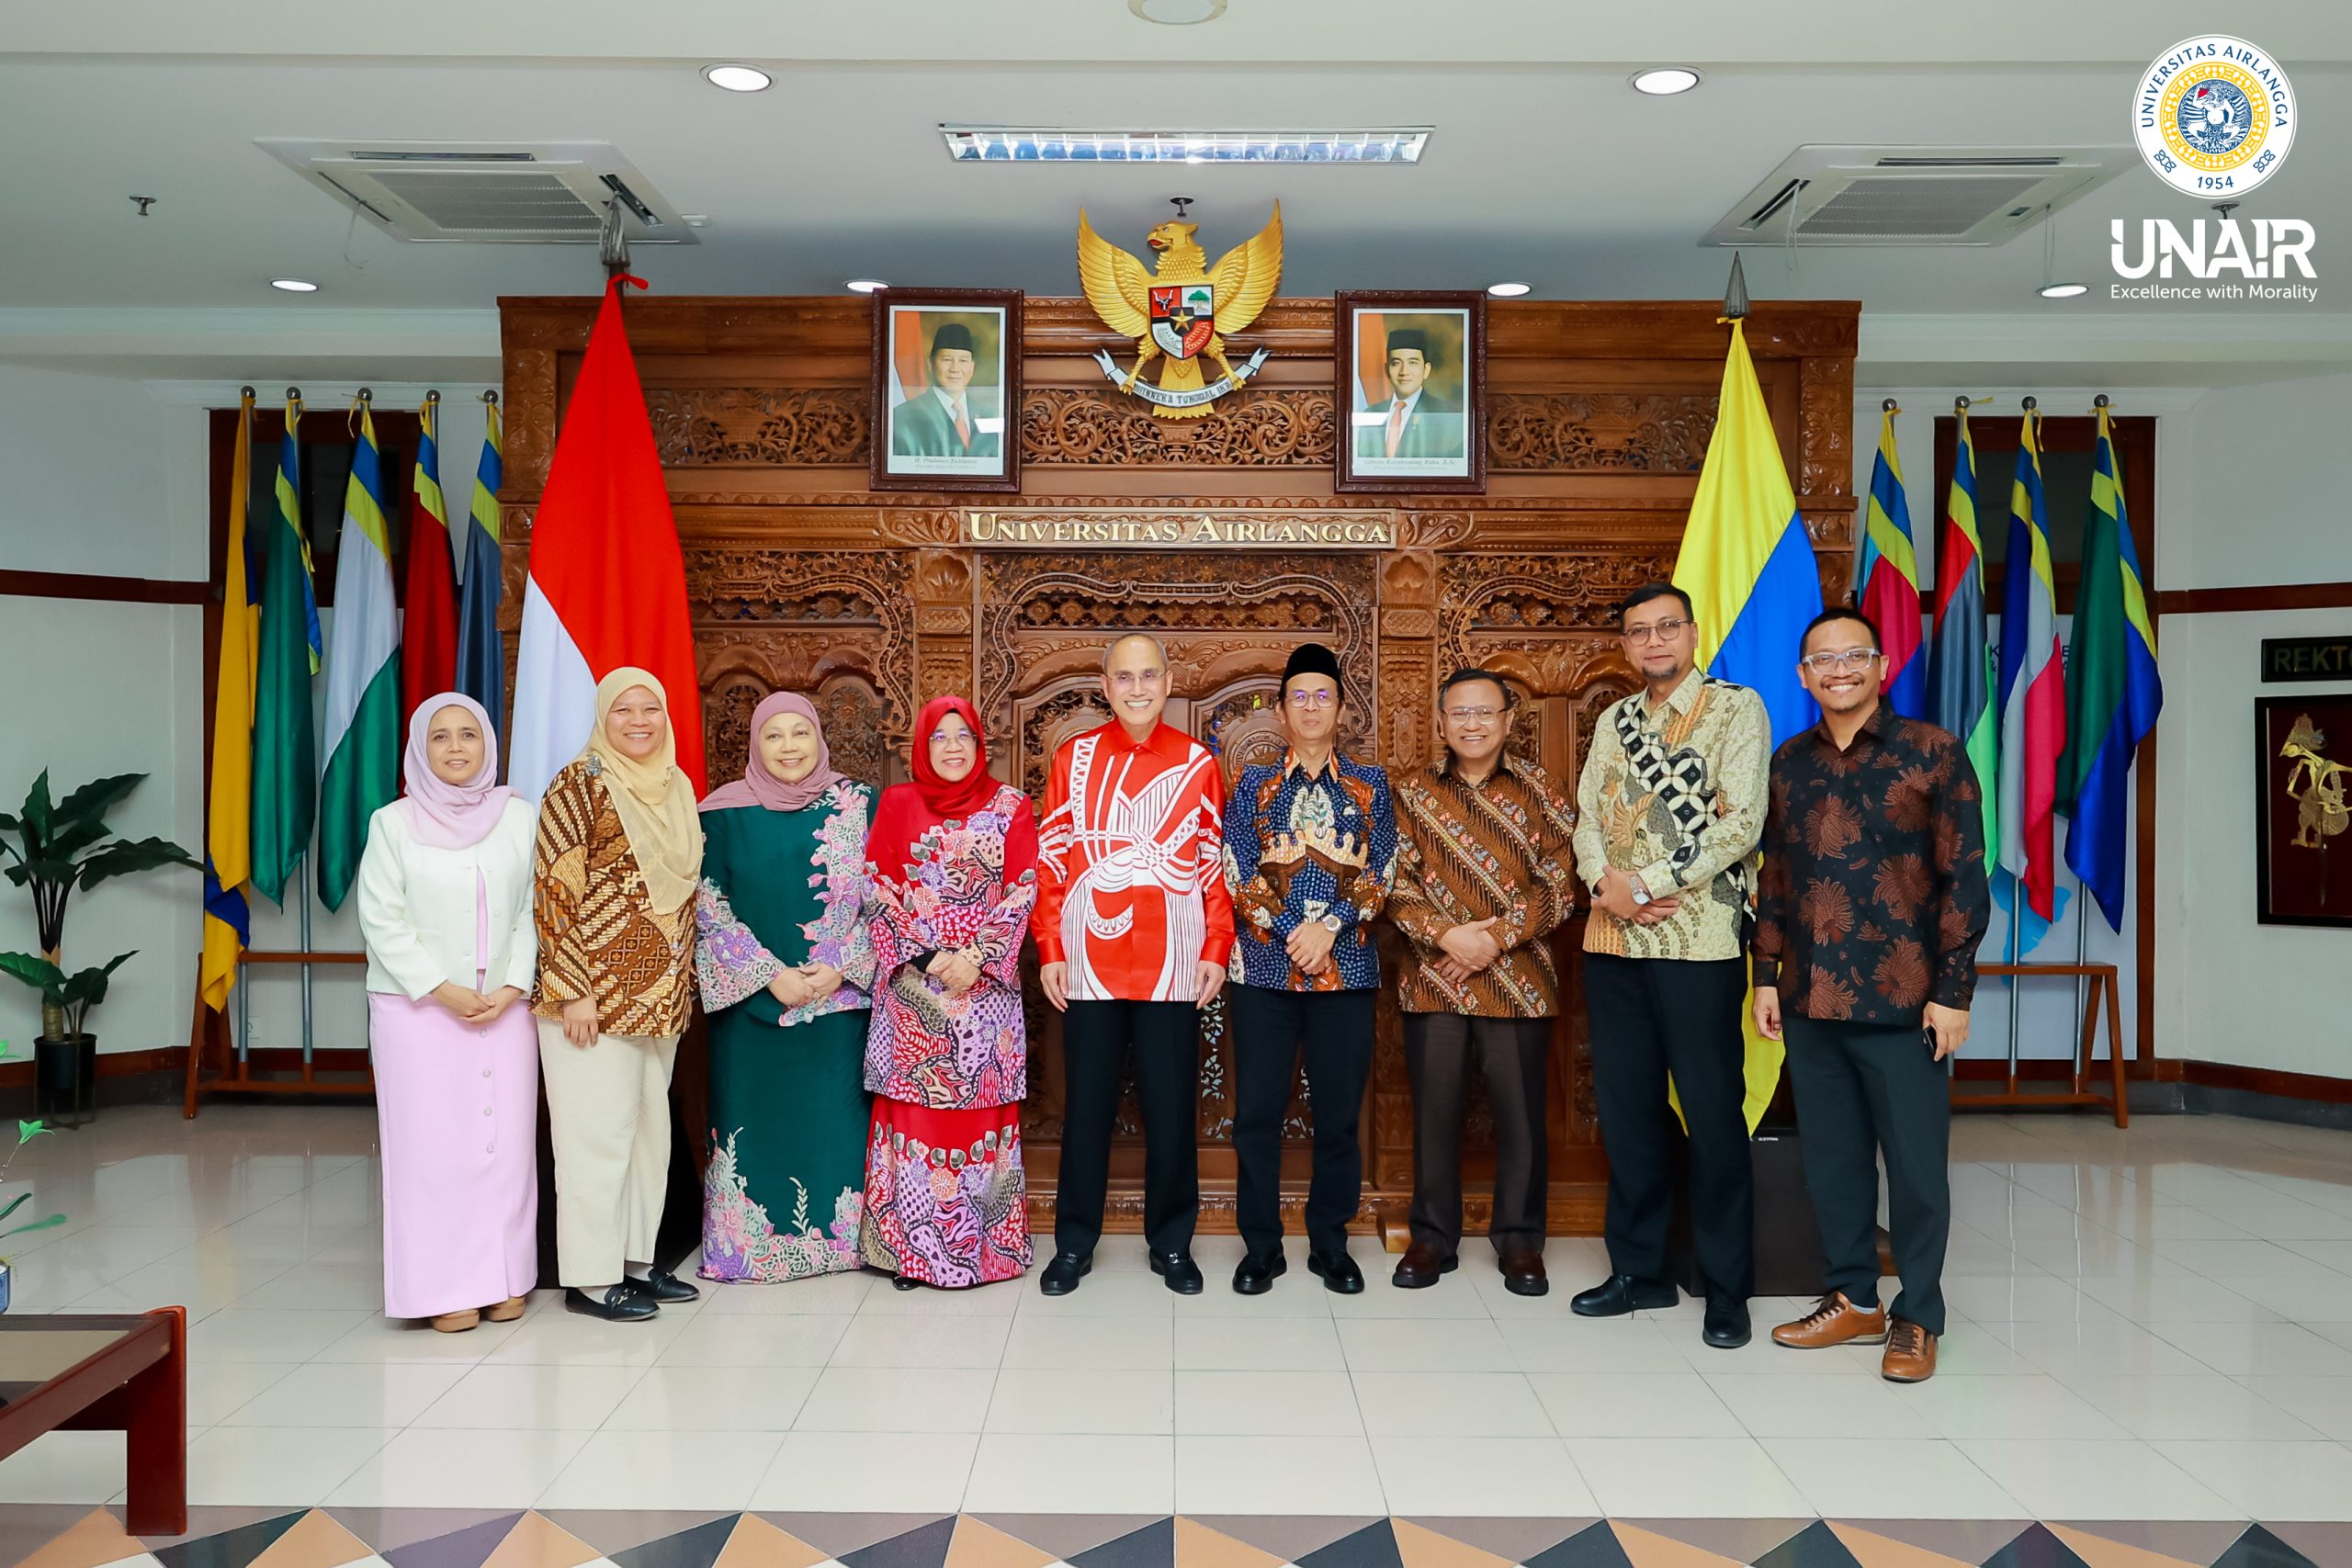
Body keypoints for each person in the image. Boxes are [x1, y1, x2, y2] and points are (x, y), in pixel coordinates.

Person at [1755, 606, 1989, 1383]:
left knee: (1918, 1170)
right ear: (1804, 676)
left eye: (1854, 655)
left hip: (1906, 999)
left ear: (1881, 665)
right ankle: (1854, 1297)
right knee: (1834, 1163)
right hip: (1812, 999)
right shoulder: (1790, 763)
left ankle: (1917, 1313)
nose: (1839, 669)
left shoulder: (1933, 753)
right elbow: (1777, 880)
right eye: (1823, 659)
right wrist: (1765, 975)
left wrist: (1954, 991)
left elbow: (1965, 877)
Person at [1569, 582, 1771, 1350]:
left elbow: (1743, 823)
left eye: (1666, 628)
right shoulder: (1615, 720)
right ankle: (1640, 1270)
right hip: (1613, 943)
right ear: (1625, 646)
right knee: (1628, 1114)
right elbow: (1588, 814)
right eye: (1638, 632)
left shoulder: (1735, 709)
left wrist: (1645, 884)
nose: (1654, 642)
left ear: (1693, 632)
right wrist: (1603, 887)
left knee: (1714, 1115)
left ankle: (1727, 1287)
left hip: (1698, 942)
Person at [1033, 632, 1236, 1295]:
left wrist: (1214, 948)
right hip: (1089, 962)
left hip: (1173, 962)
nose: (1139, 687)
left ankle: (1172, 1242)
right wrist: (1051, 949)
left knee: (1172, 1107)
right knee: (1085, 1107)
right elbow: (1053, 863)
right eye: (1126, 676)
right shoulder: (1075, 758)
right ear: (1106, 683)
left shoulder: (1198, 762)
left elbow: (1214, 867)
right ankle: (1073, 1242)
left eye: (1150, 675)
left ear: (1169, 682)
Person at [1386, 668, 1577, 1296]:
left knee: (1521, 1116)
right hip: (1433, 975)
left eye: (1484, 712)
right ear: (1441, 723)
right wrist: (1449, 937)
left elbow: (1560, 882)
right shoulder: (1410, 792)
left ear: (1506, 720)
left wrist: (1493, 938)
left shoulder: (1542, 789)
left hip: (1518, 980)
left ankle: (1520, 1239)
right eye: (1459, 713)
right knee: (1434, 1113)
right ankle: (1432, 1235)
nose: (1471, 723)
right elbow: (1395, 881)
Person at [355, 694, 539, 1332]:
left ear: (489, 743)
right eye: (441, 737)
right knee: (433, 1149)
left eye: (469, 734)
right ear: (420, 749)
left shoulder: (519, 817)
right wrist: (443, 988)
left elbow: (532, 911)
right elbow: (381, 918)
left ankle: (506, 1277)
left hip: (505, 1007)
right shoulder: (392, 823)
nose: (457, 747)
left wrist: (514, 985)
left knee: (504, 1144)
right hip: (420, 1011)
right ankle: (443, 1287)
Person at [1222, 644, 1396, 1295]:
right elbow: (1236, 868)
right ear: (1281, 707)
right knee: (1258, 1116)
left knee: (1338, 1115)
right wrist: (1293, 931)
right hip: (1265, 970)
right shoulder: (1253, 785)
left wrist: (1332, 928)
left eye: (1324, 694)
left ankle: (1330, 1242)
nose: (1313, 705)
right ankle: (1261, 1246)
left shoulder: (1371, 786)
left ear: (1341, 707)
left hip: (1346, 969)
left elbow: (1384, 871)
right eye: (1301, 695)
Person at [532, 668, 706, 1322]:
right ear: (602, 718)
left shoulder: (676, 786)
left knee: (646, 1139)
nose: (638, 721)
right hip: (593, 1002)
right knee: (595, 1141)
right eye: (623, 710)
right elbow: (554, 889)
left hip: (658, 1000)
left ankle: (635, 1262)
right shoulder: (580, 785)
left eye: (650, 709)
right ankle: (590, 1278)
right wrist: (573, 988)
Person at [691, 693, 876, 1283]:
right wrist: (771, 974)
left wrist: (843, 964)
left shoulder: (859, 804)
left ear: (820, 739)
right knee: (754, 1122)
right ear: (755, 744)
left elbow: (889, 894)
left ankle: (843, 1247)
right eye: (774, 735)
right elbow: (707, 906)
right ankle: (747, 1250)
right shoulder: (718, 815)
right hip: (752, 1008)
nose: (789, 746)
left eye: (800, 733)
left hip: (838, 1004)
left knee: (834, 1123)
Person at [861, 696, 1039, 1290]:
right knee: (917, 1116)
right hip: (915, 993)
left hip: (984, 999)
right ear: (923, 746)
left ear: (981, 742)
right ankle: (912, 1252)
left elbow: (1023, 889)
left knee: (980, 1115)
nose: (954, 746)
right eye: (940, 737)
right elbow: (877, 887)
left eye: (964, 734)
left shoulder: (1012, 806)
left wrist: (977, 958)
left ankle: (986, 1250)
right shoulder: (897, 803)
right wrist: (932, 957)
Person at [891, 321, 999, 459]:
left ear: (972, 367)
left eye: (963, 361)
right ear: (930, 364)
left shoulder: (989, 415)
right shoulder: (903, 416)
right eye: (947, 360)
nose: (955, 369)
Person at [1355, 327, 1464, 462]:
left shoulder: (1447, 415)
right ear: (1387, 369)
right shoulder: (1371, 414)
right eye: (1396, 363)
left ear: (1426, 370)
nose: (1404, 371)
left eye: (1412, 363)